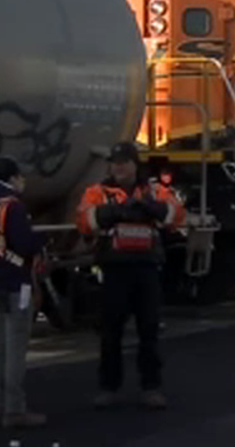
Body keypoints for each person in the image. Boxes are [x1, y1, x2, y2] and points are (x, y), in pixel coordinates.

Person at [77, 141, 186, 409]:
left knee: (149, 330)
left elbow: (177, 215)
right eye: (115, 163)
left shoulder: (154, 191)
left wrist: (150, 207)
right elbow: (83, 221)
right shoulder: (98, 192)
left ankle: (151, 387)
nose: (119, 168)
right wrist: (114, 212)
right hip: (114, 270)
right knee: (110, 332)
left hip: (146, 269)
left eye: (124, 163)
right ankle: (108, 387)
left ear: (135, 164)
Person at [0, 156, 46, 428]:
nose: (22, 181)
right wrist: (42, 241)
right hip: (16, 282)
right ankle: (14, 410)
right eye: (19, 176)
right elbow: (24, 244)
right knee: (16, 347)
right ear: (11, 178)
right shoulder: (13, 207)